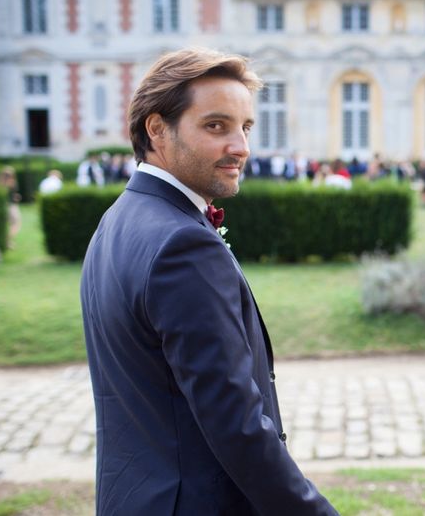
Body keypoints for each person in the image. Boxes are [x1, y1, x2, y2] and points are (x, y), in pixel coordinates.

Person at [80, 47, 338, 515]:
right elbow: (237, 426)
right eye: (215, 126)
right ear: (157, 129)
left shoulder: (117, 219)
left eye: (245, 127)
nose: (240, 146)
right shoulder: (183, 245)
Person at [0, 166, 21, 246]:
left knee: (9, 224)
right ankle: (7, 240)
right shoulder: (10, 183)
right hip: (10, 206)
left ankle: (7, 241)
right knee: (15, 223)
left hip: (8, 205)